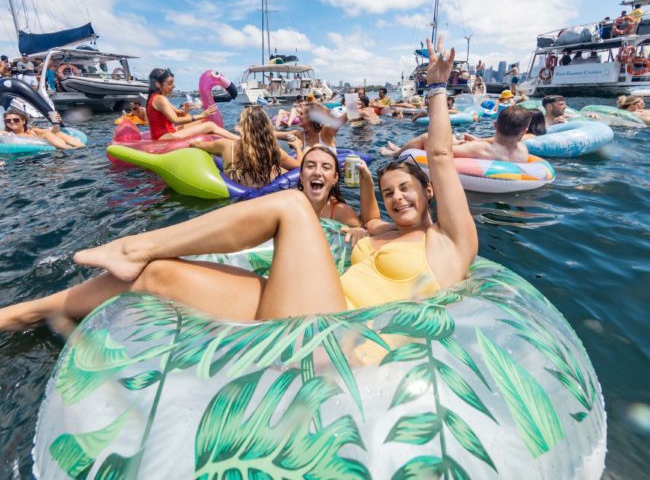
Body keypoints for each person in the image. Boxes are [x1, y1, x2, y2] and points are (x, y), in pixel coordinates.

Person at [0, 36, 477, 331]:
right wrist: (369, 193)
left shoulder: (451, 244)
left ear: (431, 191)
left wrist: (437, 88)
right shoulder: (380, 231)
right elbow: (368, 218)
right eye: (391, 192)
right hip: (307, 305)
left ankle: (131, 245)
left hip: (337, 334)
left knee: (289, 207)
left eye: (406, 190)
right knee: (158, 277)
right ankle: (30, 312)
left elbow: (438, 154)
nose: (397, 198)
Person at [191, 106, 303, 187]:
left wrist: (193, 142)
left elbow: (198, 145)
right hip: (266, 196)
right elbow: (299, 167)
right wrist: (297, 147)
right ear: (267, 128)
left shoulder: (225, 145)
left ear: (242, 127)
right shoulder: (273, 151)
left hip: (235, 198)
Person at [382, 104, 532, 164]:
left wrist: (458, 143)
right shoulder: (523, 150)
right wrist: (471, 139)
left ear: (495, 125)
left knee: (427, 137)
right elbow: (499, 145)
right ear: (524, 131)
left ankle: (396, 154)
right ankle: (398, 149)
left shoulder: (479, 148)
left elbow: (440, 150)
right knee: (456, 138)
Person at [146, 68, 238, 141]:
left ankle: (224, 140)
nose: (173, 86)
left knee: (204, 121)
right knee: (210, 125)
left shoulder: (158, 98)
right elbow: (175, 120)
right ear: (158, 84)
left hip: (168, 132)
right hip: (163, 137)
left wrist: (186, 110)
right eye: (170, 83)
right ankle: (240, 140)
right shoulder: (160, 99)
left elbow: (178, 113)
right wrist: (201, 115)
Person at [0, 109, 85, 150]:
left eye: (15, 120)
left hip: (48, 150)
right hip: (27, 157)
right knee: (46, 134)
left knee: (57, 133)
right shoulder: (6, 133)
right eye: (7, 121)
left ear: (23, 121)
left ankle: (80, 145)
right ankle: (67, 147)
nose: (11, 122)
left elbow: (53, 133)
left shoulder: (32, 130)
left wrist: (56, 123)